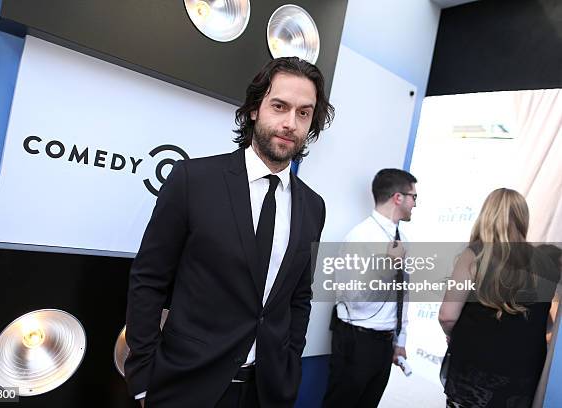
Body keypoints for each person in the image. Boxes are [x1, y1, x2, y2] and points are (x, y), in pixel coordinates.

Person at [124, 57, 334, 407]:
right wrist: (144, 377)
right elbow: (148, 280)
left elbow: (299, 297)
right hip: (186, 387)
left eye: (303, 113)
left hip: (266, 393)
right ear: (254, 109)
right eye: (279, 106)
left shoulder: (313, 206)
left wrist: (289, 368)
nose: (289, 123)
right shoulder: (193, 181)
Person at [439, 188, 560, 408]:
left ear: (487, 214)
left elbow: (447, 316)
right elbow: (547, 323)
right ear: (523, 218)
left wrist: (451, 334)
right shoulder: (547, 262)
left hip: (474, 375)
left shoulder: (474, 255)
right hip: (520, 380)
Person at [323, 169, 417, 408]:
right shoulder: (360, 237)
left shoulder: (403, 238)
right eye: (413, 197)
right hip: (357, 341)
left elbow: (402, 293)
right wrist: (388, 266)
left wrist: (400, 339)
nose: (415, 203)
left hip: (385, 344)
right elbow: (354, 298)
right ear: (398, 197)